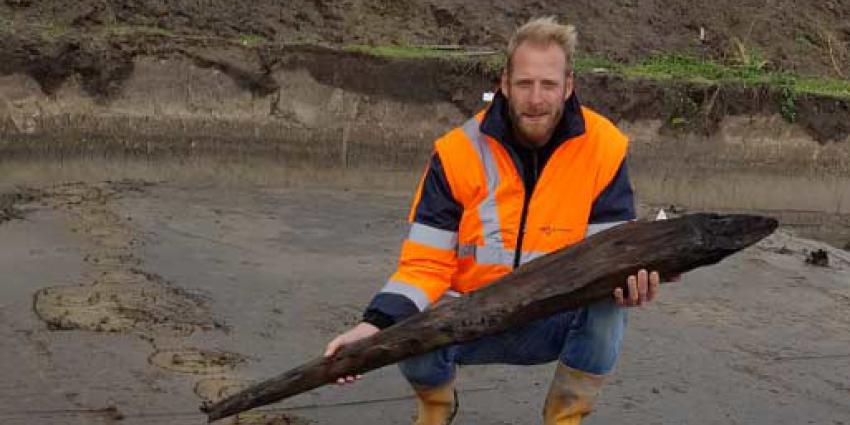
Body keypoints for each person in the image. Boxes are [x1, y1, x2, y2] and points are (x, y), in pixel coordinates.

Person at [324, 16, 674, 425]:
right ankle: (437, 408)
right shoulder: (457, 153)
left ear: (569, 85)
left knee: (608, 310)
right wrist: (374, 326)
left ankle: (565, 418)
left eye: (548, 84)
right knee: (409, 325)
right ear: (505, 84)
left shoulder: (604, 148)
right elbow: (424, 265)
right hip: (468, 316)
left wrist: (633, 281)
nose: (536, 98)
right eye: (525, 84)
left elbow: (608, 256)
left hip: (553, 319)